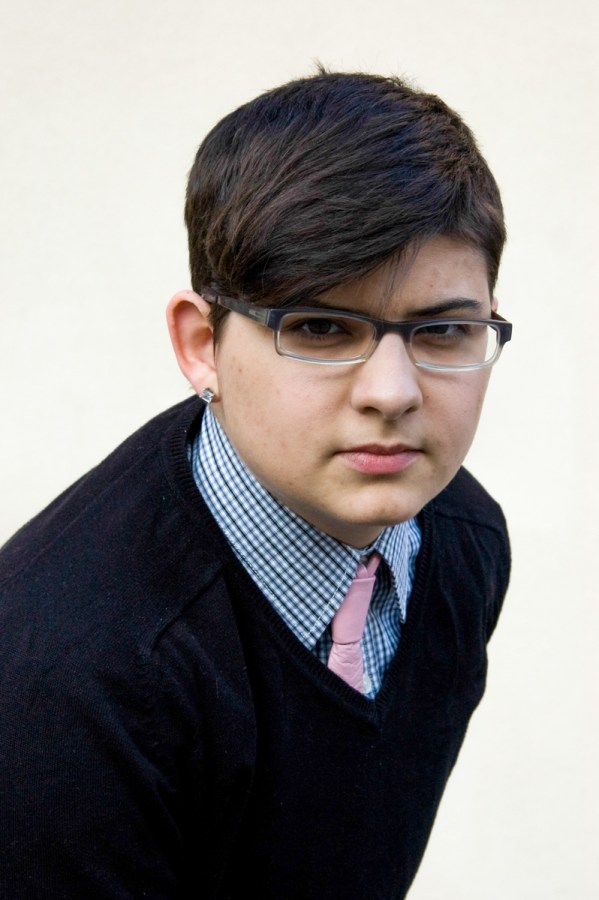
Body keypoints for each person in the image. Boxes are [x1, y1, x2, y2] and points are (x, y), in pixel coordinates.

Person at [0, 69, 512, 898]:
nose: (391, 393)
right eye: (320, 327)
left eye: (443, 331)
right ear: (201, 344)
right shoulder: (60, 680)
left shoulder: (461, 541)